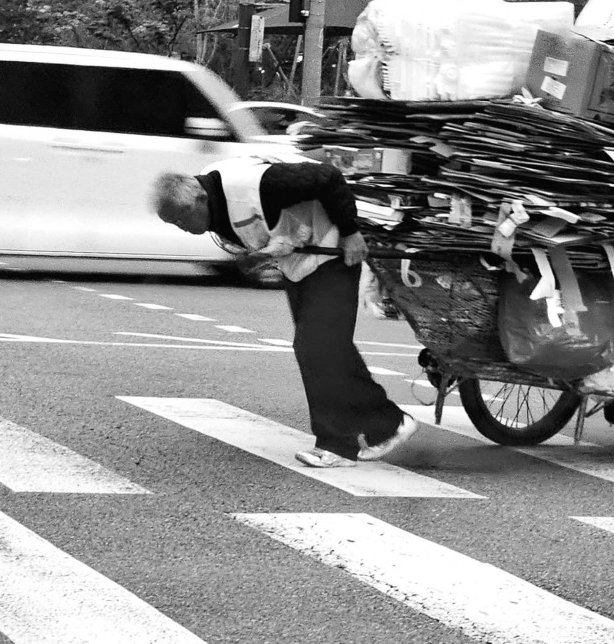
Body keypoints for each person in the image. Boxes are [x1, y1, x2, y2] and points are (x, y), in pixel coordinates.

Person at [150, 155, 417, 468]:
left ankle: (341, 444)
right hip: (299, 266)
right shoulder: (212, 198)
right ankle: (384, 426)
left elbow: (328, 177)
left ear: (199, 198)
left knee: (316, 347)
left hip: (332, 254)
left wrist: (349, 232)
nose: (182, 228)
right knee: (326, 349)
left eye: (182, 219)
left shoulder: (259, 184)